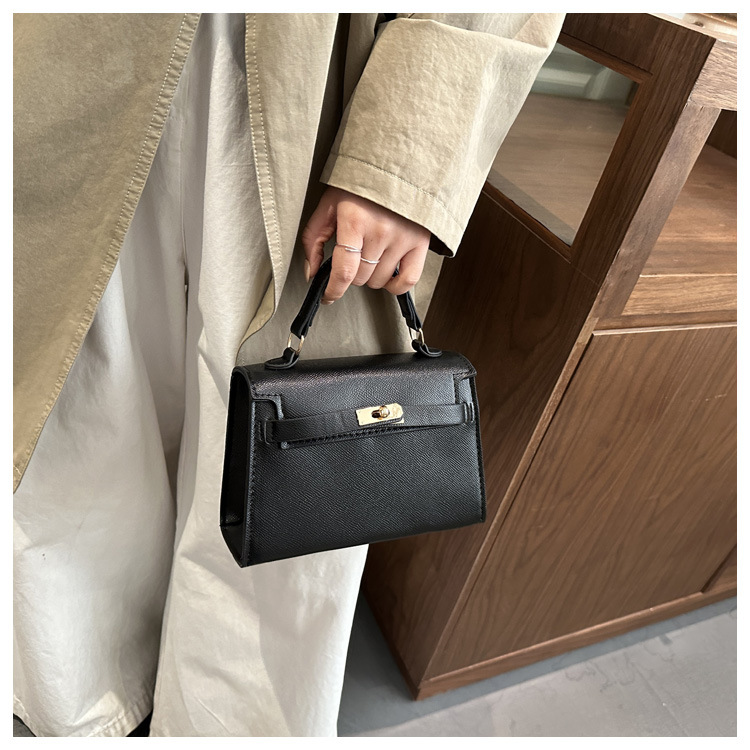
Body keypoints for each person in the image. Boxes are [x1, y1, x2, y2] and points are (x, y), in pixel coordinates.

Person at [13, 12, 565, 737]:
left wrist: (403, 155)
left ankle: (231, 724)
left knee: (294, 491)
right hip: (76, 53)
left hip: (314, 69)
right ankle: (82, 688)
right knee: (82, 406)